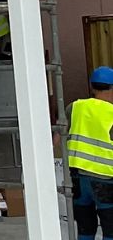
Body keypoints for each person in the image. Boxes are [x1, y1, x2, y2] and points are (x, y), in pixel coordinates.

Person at [68, 67, 113, 240]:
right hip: (105, 182)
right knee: (110, 230)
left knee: (85, 229)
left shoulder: (74, 107)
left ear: (92, 87)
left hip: (78, 179)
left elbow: (56, 141)